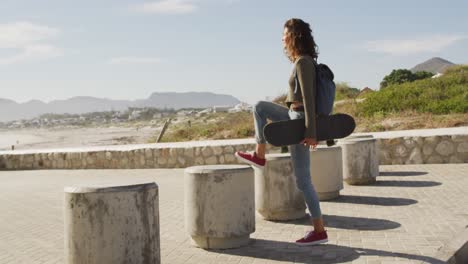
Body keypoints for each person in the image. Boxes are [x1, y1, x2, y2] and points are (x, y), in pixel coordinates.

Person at [235, 18, 328, 246]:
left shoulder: (304, 63)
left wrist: (311, 132)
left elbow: (308, 99)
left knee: (303, 180)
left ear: (294, 35)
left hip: (299, 121)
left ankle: (319, 230)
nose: (281, 37)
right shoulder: (299, 61)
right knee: (259, 106)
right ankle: (260, 154)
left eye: (284, 33)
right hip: (293, 115)